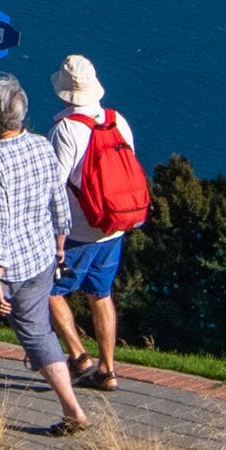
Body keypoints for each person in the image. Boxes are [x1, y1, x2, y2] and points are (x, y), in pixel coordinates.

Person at [0, 73, 94, 435]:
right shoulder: (42, 146)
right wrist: (59, 244)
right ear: (22, 113)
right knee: (38, 333)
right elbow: (58, 200)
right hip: (39, 260)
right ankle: (74, 410)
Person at [44, 53, 136, 391]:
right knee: (101, 294)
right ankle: (108, 369)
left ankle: (79, 355)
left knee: (47, 291)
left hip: (77, 232)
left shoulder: (66, 129)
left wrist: (51, 235)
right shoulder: (117, 120)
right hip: (112, 228)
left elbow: (53, 186)